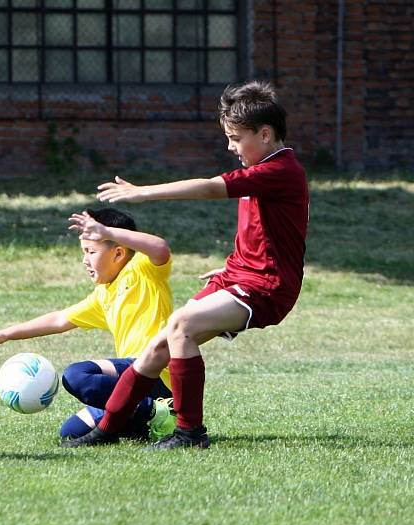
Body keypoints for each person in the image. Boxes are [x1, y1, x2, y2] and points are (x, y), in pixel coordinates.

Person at [63, 80, 308, 450]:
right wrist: (231, 267)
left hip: (267, 287)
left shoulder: (281, 170)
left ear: (266, 133)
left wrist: (142, 192)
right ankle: (107, 429)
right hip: (241, 277)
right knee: (156, 349)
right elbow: (262, 234)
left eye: (236, 138)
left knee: (182, 325)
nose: (230, 146)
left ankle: (190, 432)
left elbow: (211, 188)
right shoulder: (266, 168)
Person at [0, 207, 177, 442]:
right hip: (134, 379)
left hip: (158, 374)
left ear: (118, 253)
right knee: (71, 431)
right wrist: (5, 333)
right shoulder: (102, 295)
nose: (85, 260)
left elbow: (160, 248)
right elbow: (60, 319)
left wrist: (107, 231)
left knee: (77, 375)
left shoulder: (141, 269)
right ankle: (146, 424)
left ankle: (156, 411)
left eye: (90, 251)